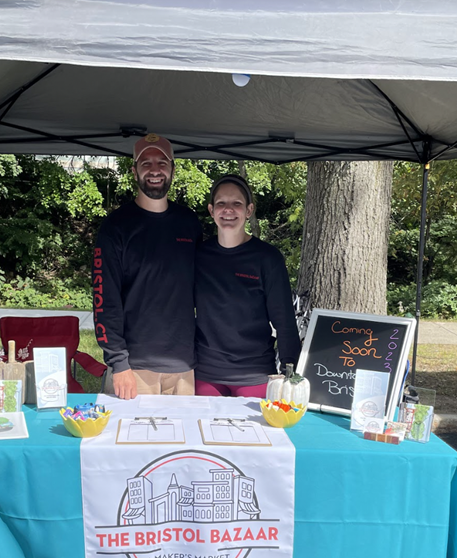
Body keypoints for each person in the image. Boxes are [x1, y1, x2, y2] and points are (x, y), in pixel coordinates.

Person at [93, 134, 203, 399]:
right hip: (134, 368)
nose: (155, 170)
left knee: (184, 441)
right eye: (146, 163)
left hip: (184, 365)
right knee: (133, 441)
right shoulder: (115, 228)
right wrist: (118, 363)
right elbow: (103, 300)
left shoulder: (190, 223)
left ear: (173, 169)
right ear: (134, 171)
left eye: (162, 162)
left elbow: (204, 290)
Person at [195, 174, 301, 397]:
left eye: (237, 204)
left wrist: (289, 370)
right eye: (221, 203)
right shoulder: (198, 255)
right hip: (205, 373)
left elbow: (284, 321)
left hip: (254, 374)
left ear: (249, 210)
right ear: (211, 210)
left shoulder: (267, 258)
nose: (228, 210)